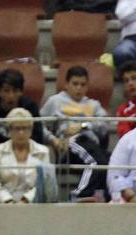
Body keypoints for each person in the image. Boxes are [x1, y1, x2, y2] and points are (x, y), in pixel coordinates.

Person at [43, 65, 113, 201]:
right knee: (96, 162)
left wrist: (83, 125)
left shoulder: (94, 104)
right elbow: (39, 124)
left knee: (112, 162)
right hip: (71, 143)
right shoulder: (55, 101)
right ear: (66, 84)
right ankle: (78, 195)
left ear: (87, 86)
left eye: (83, 84)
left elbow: (104, 125)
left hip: (91, 143)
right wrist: (53, 140)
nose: (79, 88)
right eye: (75, 84)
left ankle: (108, 198)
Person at [0, 107, 56, 204]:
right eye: (17, 128)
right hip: (2, 203)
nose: (21, 133)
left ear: (31, 130)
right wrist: (7, 200)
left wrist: (25, 200)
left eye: (25, 128)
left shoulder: (43, 151)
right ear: (9, 130)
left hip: (33, 203)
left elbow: (43, 183)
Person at [0, 68, 45, 147]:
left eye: (15, 91)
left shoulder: (30, 106)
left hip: (24, 150)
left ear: (21, 92)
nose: (11, 96)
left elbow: (37, 137)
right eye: (6, 90)